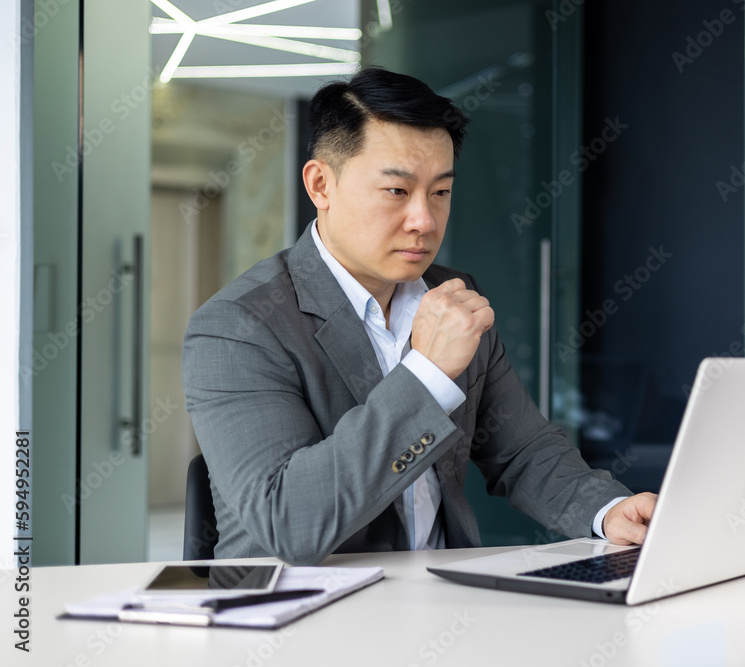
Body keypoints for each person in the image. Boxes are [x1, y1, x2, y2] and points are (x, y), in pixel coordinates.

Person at [182, 67, 656, 566]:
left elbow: (522, 450)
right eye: (396, 191)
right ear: (321, 184)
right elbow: (290, 523)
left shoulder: (453, 297)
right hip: (294, 616)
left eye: (441, 192)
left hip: (438, 601)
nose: (425, 221)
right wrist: (427, 375)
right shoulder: (237, 328)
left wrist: (609, 510)